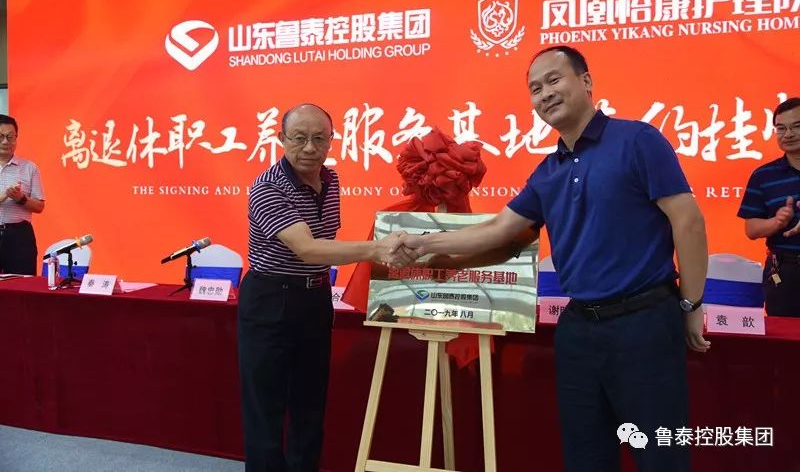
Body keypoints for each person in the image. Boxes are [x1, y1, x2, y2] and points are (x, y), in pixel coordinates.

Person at [396, 46, 709, 472]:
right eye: (535, 88)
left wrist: (690, 304)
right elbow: (499, 230)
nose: (544, 94)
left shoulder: (637, 140)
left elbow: (688, 221)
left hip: (643, 323)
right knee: (586, 455)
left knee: (660, 456)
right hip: (579, 328)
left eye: (554, 80)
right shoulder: (548, 171)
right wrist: (423, 244)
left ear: (586, 81)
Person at [238, 103, 415, 472]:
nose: (309, 148)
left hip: (314, 298)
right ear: (281, 138)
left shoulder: (330, 181)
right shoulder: (267, 187)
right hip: (271, 299)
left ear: (332, 141)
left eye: (319, 139)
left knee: (310, 401)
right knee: (266, 406)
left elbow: (325, 244)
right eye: (299, 138)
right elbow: (308, 248)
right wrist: (377, 249)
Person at [738, 97, 800, 317]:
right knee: (784, 335)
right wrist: (777, 222)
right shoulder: (763, 175)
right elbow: (751, 230)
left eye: (796, 126)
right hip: (785, 272)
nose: (788, 134)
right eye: (781, 128)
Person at [0, 114, 45, 275]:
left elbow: (40, 206)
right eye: (1, 136)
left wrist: (21, 199)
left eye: (10, 137)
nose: (5, 142)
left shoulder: (29, 168)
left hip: (19, 236)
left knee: (22, 283)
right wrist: (4, 196)